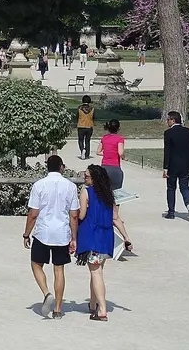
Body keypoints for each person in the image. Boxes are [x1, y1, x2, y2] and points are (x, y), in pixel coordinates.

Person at [24, 155, 79, 319]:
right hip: (62, 232)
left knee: (36, 264)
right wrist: (74, 237)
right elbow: (74, 215)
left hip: (43, 232)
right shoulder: (70, 186)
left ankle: (47, 293)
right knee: (59, 269)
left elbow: (33, 214)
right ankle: (57, 309)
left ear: (47, 167)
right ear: (62, 167)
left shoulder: (39, 185)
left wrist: (26, 233)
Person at [77, 164, 119, 321]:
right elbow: (115, 218)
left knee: (96, 273)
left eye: (87, 176)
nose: (84, 178)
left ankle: (102, 309)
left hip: (92, 238)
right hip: (106, 239)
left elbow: (81, 215)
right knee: (97, 272)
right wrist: (126, 237)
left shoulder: (86, 192)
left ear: (94, 178)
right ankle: (93, 304)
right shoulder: (108, 194)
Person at [162, 111, 189, 221]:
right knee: (185, 187)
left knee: (171, 188)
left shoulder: (168, 133)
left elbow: (167, 151)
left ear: (173, 120)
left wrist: (165, 167)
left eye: (168, 119)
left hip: (173, 165)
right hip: (186, 165)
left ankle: (171, 212)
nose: (167, 122)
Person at [97, 119, 125, 190]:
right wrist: (123, 157)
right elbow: (120, 152)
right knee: (116, 193)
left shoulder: (104, 138)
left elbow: (98, 152)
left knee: (104, 192)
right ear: (118, 129)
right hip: (115, 168)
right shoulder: (120, 139)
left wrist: (107, 153)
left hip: (104, 167)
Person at [75, 95, 95, 160]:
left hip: (81, 126)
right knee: (87, 141)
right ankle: (87, 155)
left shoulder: (79, 108)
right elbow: (93, 117)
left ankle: (82, 150)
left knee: (80, 140)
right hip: (89, 126)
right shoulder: (92, 108)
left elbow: (77, 117)